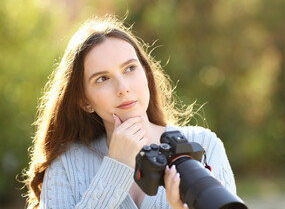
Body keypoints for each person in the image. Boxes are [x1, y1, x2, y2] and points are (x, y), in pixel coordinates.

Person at [23, 15, 238, 209]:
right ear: (84, 101)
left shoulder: (205, 146)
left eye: (130, 69)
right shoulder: (67, 165)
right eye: (102, 79)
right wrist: (115, 168)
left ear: (146, 74)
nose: (123, 87)